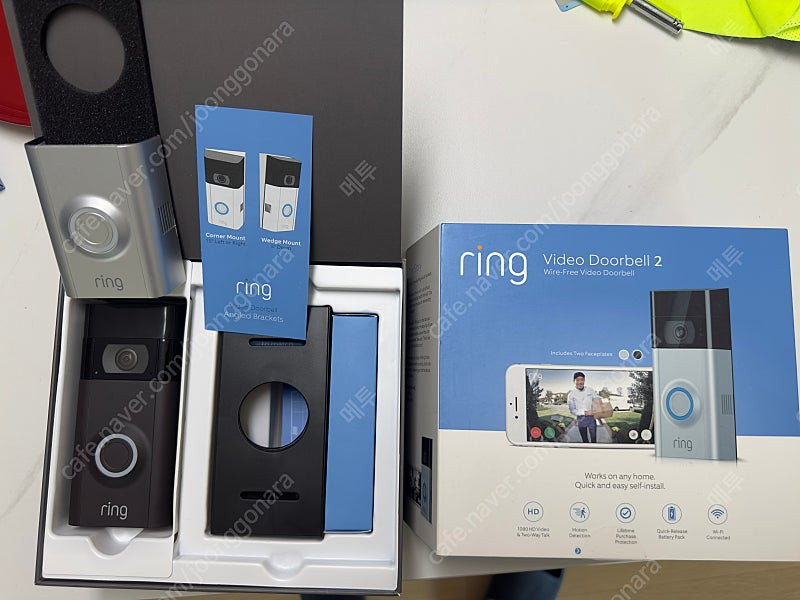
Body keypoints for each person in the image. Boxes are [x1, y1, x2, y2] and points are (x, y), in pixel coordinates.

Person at [567, 371, 598, 443]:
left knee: (594, 439)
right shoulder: (571, 394)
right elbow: (572, 411)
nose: (580, 382)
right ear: (574, 381)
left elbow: (597, 399)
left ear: (584, 380)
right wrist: (585, 413)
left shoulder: (590, 390)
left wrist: (604, 402)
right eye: (578, 380)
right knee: (585, 440)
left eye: (582, 380)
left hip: (592, 418)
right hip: (581, 419)